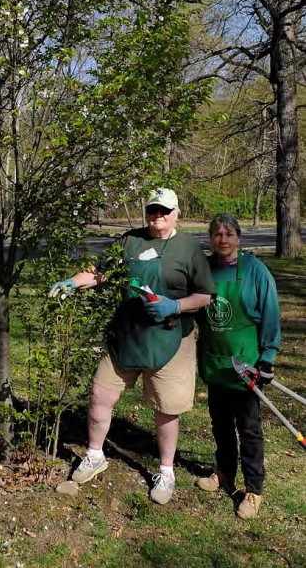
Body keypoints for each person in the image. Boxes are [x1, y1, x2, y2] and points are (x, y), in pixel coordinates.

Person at [49, 188, 215, 504]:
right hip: (127, 334)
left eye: (164, 211)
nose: (158, 216)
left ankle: (166, 472)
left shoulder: (188, 249)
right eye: (153, 210)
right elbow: (99, 273)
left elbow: (205, 295)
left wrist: (175, 306)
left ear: (176, 213)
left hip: (170, 337)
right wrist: (72, 283)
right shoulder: (129, 241)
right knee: (100, 394)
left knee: (166, 409)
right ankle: (95, 455)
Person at [195, 213, 280, 519]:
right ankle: (224, 472)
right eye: (217, 234)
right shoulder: (204, 269)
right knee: (220, 425)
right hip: (215, 363)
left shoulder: (256, 271)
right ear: (210, 238)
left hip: (246, 367)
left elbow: (270, 313)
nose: (223, 240)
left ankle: (254, 489)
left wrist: (268, 357)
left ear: (238, 237)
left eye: (229, 234)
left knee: (249, 429)